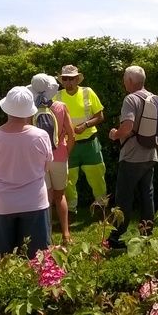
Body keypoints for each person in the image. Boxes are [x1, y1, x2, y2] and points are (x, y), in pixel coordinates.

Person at [0, 86, 53, 261]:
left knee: (0, 260)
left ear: (6, 109)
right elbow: (46, 167)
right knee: (37, 259)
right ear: (30, 111)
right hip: (34, 202)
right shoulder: (41, 136)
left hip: (1, 203)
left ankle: (3, 289)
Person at [106, 66, 158, 249]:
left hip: (131, 155)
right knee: (147, 195)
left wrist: (114, 134)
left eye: (124, 79)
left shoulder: (131, 99)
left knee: (124, 198)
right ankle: (147, 235)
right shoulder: (154, 98)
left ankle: (116, 237)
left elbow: (127, 127)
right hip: (150, 154)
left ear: (129, 81)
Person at [28, 74, 76, 244]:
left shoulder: (31, 110)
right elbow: (71, 135)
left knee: (45, 197)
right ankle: (66, 234)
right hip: (59, 156)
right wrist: (65, 153)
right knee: (60, 195)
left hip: (39, 160)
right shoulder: (61, 107)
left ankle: (46, 235)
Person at [54, 64, 107, 213]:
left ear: (78, 79)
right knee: (68, 180)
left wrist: (86, 125)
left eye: (72, 79)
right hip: (68, 145)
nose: (69, 82)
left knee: (97, 177)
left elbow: (100, 116)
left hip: (90, 142)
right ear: (62, 81)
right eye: (65, 79)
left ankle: (101, 208)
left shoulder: (88, 92)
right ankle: (70, 211)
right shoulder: (56, 97)